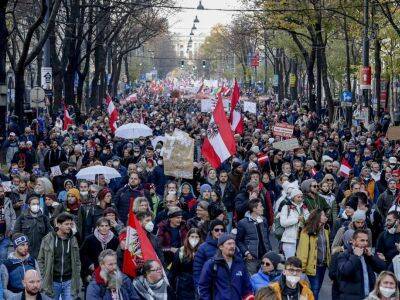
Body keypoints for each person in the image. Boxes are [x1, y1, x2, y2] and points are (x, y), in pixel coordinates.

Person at [37, 212, 81, 299]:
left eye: (70, 224)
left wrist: (77, 276)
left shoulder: (73, 239)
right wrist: (43, 276)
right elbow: (40, 259)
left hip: (69, 281)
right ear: (59, 225)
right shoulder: (47, 239)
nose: (69, 226)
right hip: (52, 281)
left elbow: (77, 260)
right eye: (66, 224)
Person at [198, 234, 253, 300]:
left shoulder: (240, 264)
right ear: (221, 247)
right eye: (229, 244)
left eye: (233, 243)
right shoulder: (211, 264)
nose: (232, 246)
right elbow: (203, 287)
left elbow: (247, 287)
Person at [337, 229, 386, 299]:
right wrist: (355, 257)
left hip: (369, 296)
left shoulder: (367, 255)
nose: (365, 243)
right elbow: (345, 271)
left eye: (366, 240)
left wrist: (371, 256)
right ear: (353, 241)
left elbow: (382, 269)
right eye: (362, 240)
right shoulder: (344, 255)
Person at [296, 209, 331, 300]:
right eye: (323, 215)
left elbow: (327, 248)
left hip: (322, 265)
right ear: (317, 217)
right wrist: (301, 268)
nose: (325, 217)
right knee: (314, 290)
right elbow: (303, 251)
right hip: (312, 266)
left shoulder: (326, 230)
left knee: (317, 288)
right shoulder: (306, 231)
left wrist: (329, 263)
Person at [236, 198, 271, 274]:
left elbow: (267, 238)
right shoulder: (243, 223)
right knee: (252, 281)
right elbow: (238, 240)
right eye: (261, 206)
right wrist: (247, 253)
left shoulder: (264, 220)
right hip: (252, 258)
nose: (263, 208)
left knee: (265, 280)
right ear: (254, 209)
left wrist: (270, 252)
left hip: (265, 257)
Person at [169, 228, 202, 300]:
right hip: (184, 286)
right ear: (188, 237)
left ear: (200, 238)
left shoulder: (203, 251)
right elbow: (173, 271)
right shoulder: (181, 251)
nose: (194, 239)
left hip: (199, 285)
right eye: (192, 236)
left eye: (196, 237)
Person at [193, 219, 226, 288]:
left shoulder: (229, 245)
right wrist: (199, 288)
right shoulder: (203, 248)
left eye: (222, 230)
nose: (220, 232)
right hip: (209, 286)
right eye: (216, 230)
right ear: (211, 231)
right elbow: (197, 270)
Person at [279, 189, 310, 258]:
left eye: (301, 197)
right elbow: (283, 223)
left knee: (301, 261)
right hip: (289, 240)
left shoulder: (304, 208)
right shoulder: (286, 207)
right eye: (298, 197)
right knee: (290, 261)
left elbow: (309, 219)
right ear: (293, 197)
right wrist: (297, 219)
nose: (300, 199)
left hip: (302, 237)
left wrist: (305, 219)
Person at [0, 185, 16, 262]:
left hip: (5, 236)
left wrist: (12, 229)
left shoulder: (8, 201)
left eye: (3, 191)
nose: (2, 193)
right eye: (0, 192)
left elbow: (13, 216)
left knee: (3, 258)